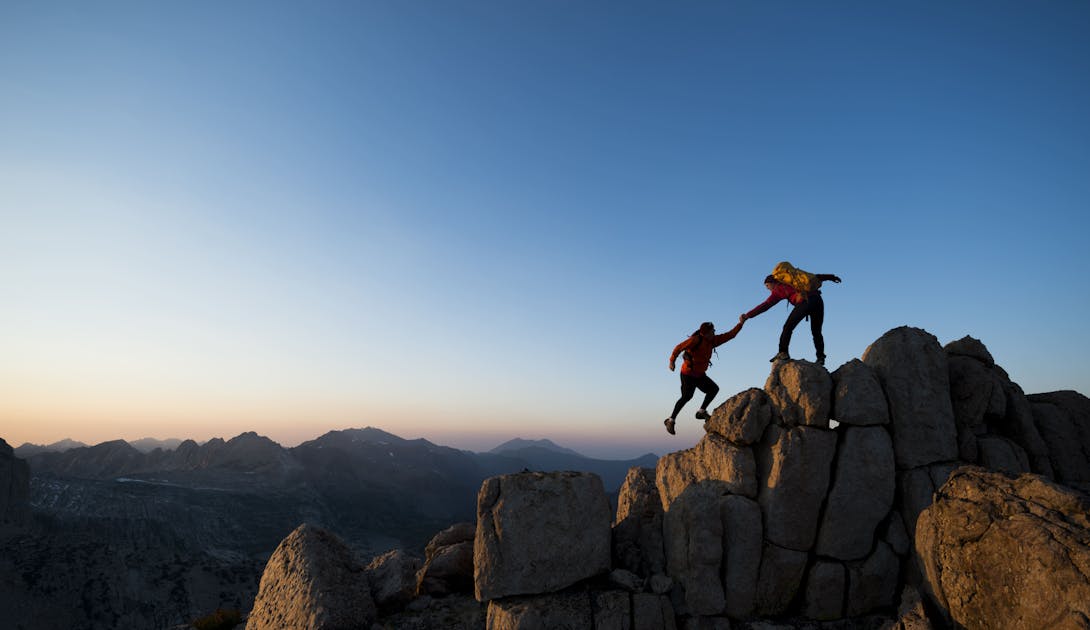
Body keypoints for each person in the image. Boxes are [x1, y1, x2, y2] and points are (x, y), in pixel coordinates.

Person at [741, 270, 842, 365]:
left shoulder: (778, 289)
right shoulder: (794, 280)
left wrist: (748, 315)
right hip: (818, 300)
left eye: (767, 286)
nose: (768, 289)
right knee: (816, 332)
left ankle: (783, 352)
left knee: (788, 327)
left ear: (773, 283)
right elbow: (815, 277)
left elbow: (765, 305)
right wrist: (832, 277)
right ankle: (821, 358)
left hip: (805, 302)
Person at [664, 317, 745, 435]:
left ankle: (701, 412)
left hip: (699, 375)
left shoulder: (712, 341)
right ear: (706, 333)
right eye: (713, 331)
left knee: (713, 389)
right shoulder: (695, 340)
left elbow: (730, 335)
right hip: (688, 374)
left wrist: (741, 324)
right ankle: (670, 420)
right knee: (687, 396)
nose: (714, 332)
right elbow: (678, 347)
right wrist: (672, 361)